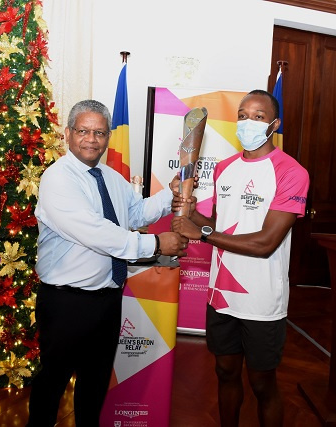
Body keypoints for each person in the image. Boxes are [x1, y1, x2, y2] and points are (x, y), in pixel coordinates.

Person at [27, 99, 188, 426]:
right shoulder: (58, 179)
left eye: (99, 132)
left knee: (95, 383)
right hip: (66, 302)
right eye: (83, 131)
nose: (91, 139)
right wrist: (157, 243)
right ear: (69, 134)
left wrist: (170, 194)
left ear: (108, 136)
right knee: (52, 383)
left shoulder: (112, 178)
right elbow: (99, 234)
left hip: (107, 300)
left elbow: (135, 214)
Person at [171, 90, 309, 427]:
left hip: (261, 299)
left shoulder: (292, 172)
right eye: (243, 115)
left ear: (274, 124)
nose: (248, 122)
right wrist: (191, 212)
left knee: (263, 384)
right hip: (221, 294)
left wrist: (200, 232)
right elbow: (219, 226)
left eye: (259, 117)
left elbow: (265, 243)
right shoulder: (224, 169)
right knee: (224, 371)